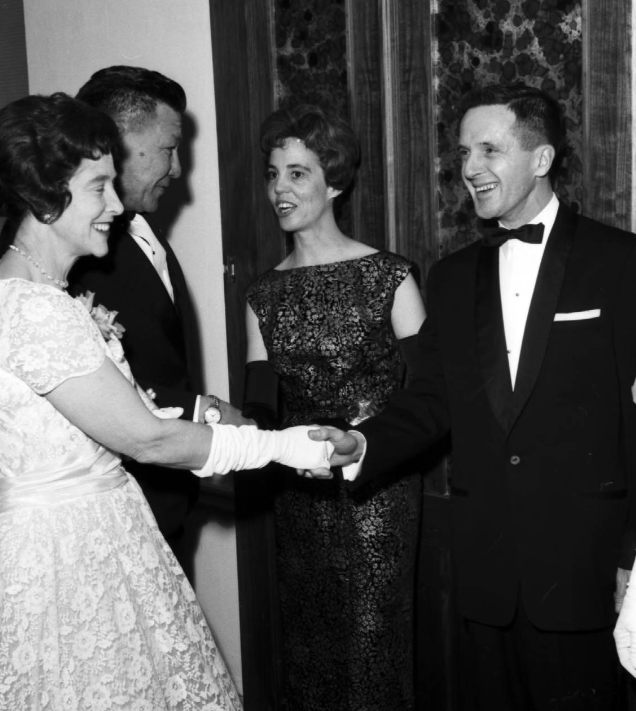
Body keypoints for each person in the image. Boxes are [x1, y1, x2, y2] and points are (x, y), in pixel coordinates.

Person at [0, 93, 333, 711]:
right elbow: (146, 439)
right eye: (98, 186)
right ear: (47, 195)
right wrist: (282, 444)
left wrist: (199, 413)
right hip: (68, 562)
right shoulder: (32, 308)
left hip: (104, 536)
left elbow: (121, 415)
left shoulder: (47, 296)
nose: (116, 203)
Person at [308, 83, 636, 710]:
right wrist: (362, 441)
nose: (470, 169)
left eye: (490, 150)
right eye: (463, 153)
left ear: (540, 160)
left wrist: (633, 554)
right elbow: (432, 399)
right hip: (486, 570)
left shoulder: (620, 263)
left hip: (586, 567)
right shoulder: (452, 278)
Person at [244, 104, 426, 711]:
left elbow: (430, 399)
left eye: (297, 173)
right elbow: (260, 407)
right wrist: (233, 428)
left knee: (374, 652)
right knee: (310, 653)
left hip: (379, 497)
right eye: (273, 174)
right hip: (300, 502)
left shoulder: (391, 277)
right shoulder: (263, 294)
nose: (280, 189)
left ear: (335, 181)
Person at [69, 66, 252, 561]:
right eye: (170, 150)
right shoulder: (61, 252)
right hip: (116, 514)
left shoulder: (143, 228)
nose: (177, 172)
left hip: (171, 497)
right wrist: (206, 414)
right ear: (117, 142)